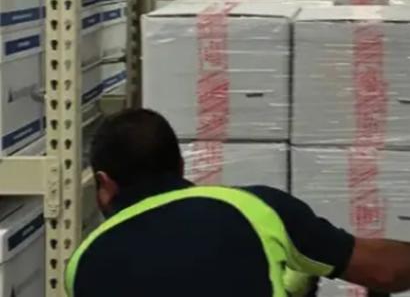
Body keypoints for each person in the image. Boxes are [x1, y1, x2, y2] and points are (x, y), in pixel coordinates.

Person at [66, 109, 410, 297]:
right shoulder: (252, 208)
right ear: (181, 166)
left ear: (104, 184)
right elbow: (386, 270)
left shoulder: (81, 264)